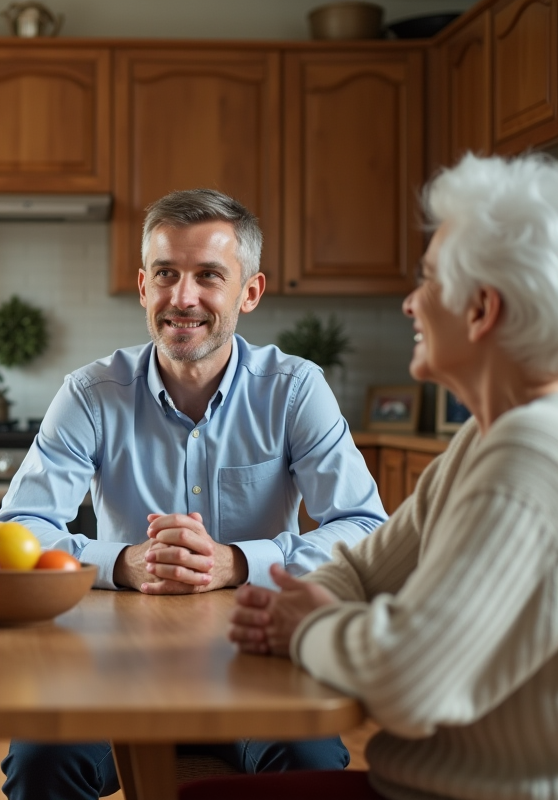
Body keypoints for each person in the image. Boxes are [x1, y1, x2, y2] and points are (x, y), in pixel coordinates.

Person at [0, 189, 388, 799]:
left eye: (208, 275)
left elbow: (365, 528)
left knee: (308, 757)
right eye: (166, 274)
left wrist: (237, 562)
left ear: (249, 292)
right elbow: (18, 529)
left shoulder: (295, 390)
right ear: (143, 286)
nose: (183, 297)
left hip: (258, 662)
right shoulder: (90, 394)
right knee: (40, 761)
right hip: (115, 669)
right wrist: (122, 563)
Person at [212, 152, 558, 800]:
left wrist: (304, 627)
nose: (409, 303)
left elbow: (411, 677)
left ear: (481, 310)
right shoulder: (482, 438)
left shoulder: (531, 453)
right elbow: (365, 569)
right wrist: (298, 606)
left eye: (427, 280)